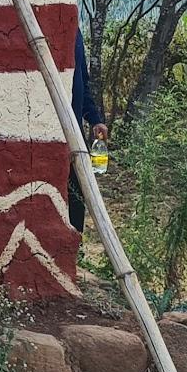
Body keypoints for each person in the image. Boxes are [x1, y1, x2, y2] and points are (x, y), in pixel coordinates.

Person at [67, 24, 108, 231]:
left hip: (75, 131)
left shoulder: (75, 32)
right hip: (54, 131)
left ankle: (75, 245)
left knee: (77, 190)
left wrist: (94, 119)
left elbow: (82, 82)